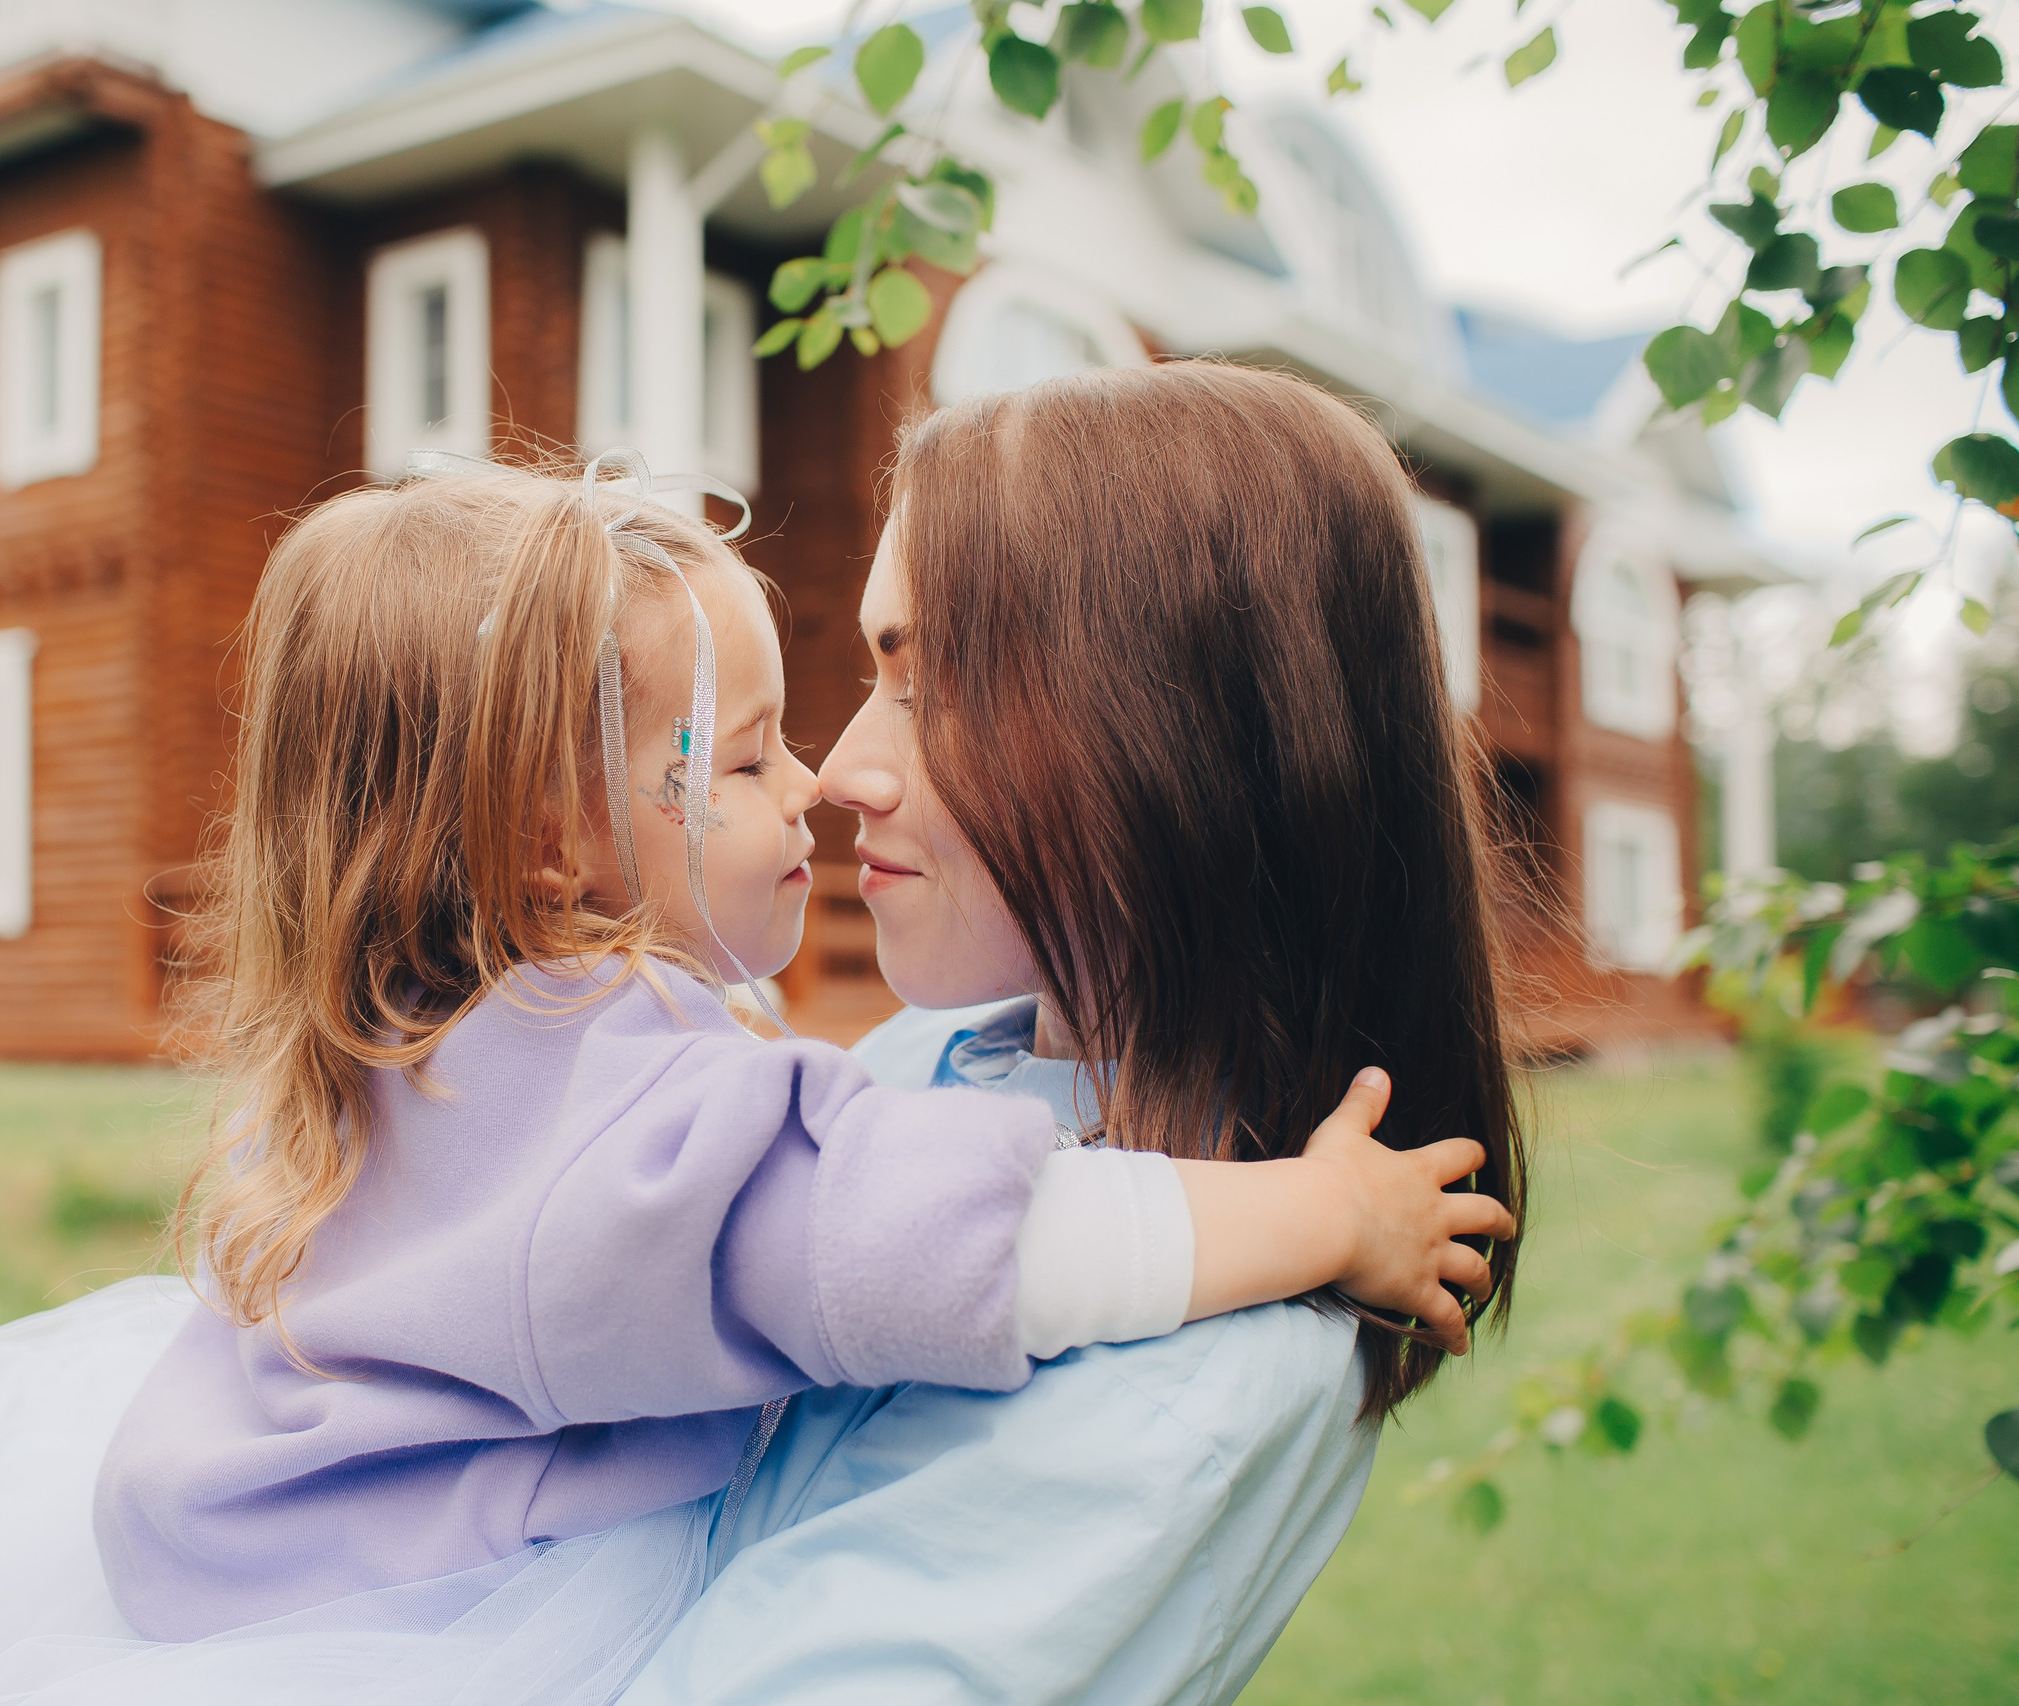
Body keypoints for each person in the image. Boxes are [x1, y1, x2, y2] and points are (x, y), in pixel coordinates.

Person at [0, 445, 1505, 1706]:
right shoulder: (625, 1107)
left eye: (883, 702)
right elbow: (967, 1244)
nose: (824, 791)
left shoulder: (434, 1035)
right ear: (557, 852)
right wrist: (1326, 1205)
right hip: (451, 1624)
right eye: (750, 758)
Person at [621, 360, 1527, 1704]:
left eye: (930, 689)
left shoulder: (1190, 1379)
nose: (845, 771)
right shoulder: (947, 1064)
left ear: (1178, 734)